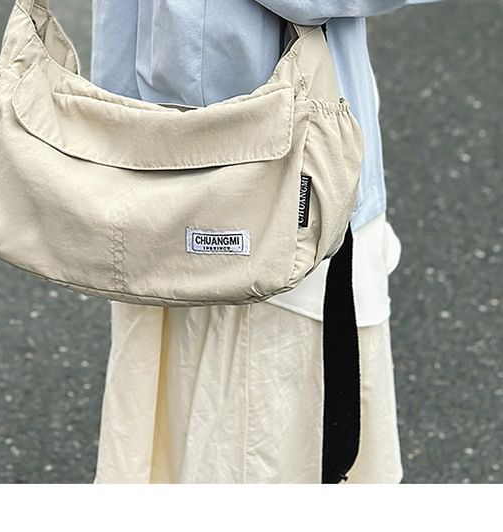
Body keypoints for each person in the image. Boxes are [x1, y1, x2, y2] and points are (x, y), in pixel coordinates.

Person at [90, 0, 436, 483]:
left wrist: (114, 147)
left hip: (171, 168)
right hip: (266, 199)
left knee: (190, 438)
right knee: (259, 451)